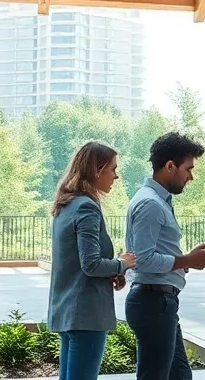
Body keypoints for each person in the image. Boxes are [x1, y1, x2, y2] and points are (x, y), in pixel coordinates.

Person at [125, 133, 205, 380]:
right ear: (170, 166)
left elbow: (154, 255)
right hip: (153, 302)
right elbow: (144, 260)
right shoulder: (151, 204)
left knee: (180, 376)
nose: (191, 176)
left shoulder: (158, 200)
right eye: (188, 169)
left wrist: (189, 260)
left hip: (160, 302)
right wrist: (188, 260)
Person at [48, 141, 139, 380]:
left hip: (67, 312)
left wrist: (113, 271)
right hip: (86, 314)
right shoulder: (86, 208)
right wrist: (123, 263)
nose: (116, 176)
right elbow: (91, 265)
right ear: (96, 170)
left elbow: (77, 263)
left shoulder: (65, 205)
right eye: (112, 169)